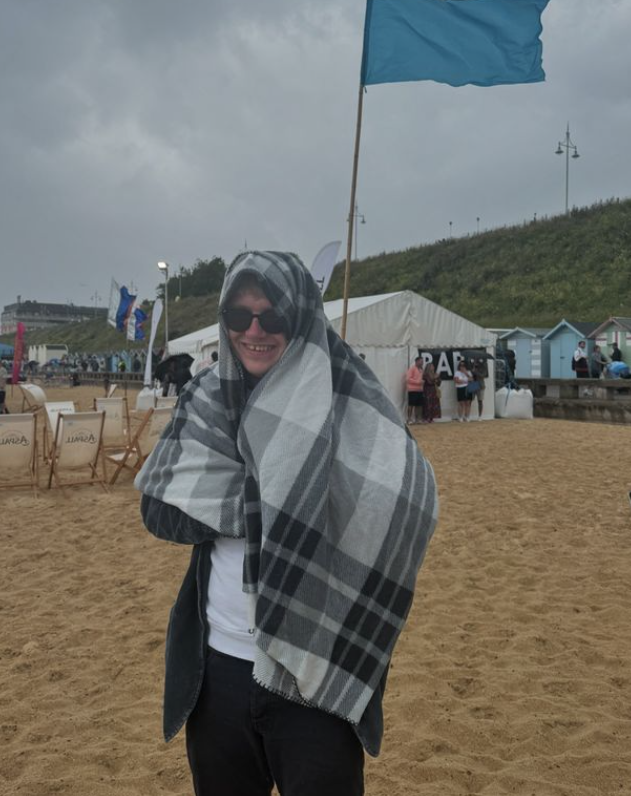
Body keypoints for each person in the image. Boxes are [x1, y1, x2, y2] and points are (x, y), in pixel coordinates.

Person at [135, 251, 438, 796]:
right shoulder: (204, 401)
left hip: (316, 667)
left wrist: (281, 503)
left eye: (272, 316)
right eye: (239, 316)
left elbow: (408, 500)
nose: (255, 331)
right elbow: (157, 510)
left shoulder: (350, 401)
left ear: (299, 318)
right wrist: (268, 506)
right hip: (220, 667)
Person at [406, 356, 424, 424]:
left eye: (423, 361)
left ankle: (418, 419)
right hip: (412, 390)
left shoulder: (421, 369)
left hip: (420, 390)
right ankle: (409, 419)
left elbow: (419, 379)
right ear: (416, 361)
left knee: (419, 405)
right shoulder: (412, 369)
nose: (422, 363)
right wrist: (418, 382)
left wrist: (421, 382)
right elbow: (408, 379)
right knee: (411, 405)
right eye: (421, 361)